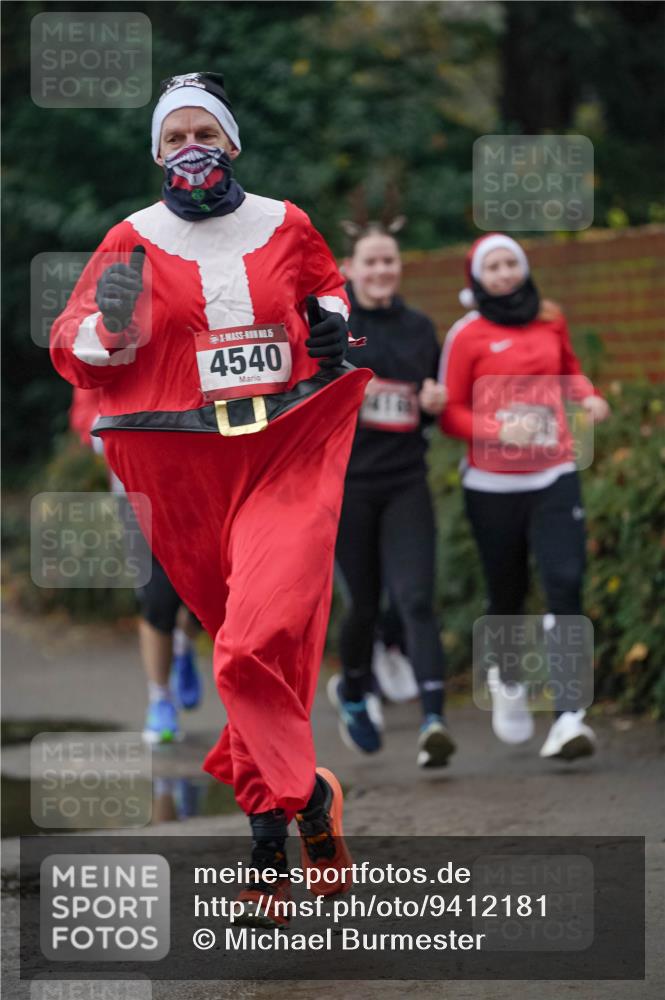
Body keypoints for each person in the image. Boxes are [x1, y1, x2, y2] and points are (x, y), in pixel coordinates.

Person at [51, 71, 372, 927]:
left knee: (250, 644)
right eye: (173, 137)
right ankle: (298, 816)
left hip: (289, 456)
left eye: (204, 132)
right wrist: (110, 330)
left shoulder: (285, 220)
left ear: (229, 142)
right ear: (157, 153)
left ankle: (274, 836)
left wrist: (334, 324)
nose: (190, 148)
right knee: (253, 650)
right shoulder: (133, 238)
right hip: (195, 473)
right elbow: (78, 350)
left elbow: (326, 289)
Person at [439, 232, 610, 760]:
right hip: (492, 484)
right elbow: (448, 412)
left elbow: (569, 371)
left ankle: (568, 717)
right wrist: (495, 430)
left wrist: (589, 397)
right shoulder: (466, 336)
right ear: (476, 278)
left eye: (511, 262)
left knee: (565, 582)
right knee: (507, 593)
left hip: (555, 471)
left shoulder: (549, 318)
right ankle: (507, 678)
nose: (505, 273)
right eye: (493, 266)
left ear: (525, 267)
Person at [327, 220, 456, 769]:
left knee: (417, 600)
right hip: (348, 486)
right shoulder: (333, 327)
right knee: (363, 606)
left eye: (389, 262)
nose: (381, 271)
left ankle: (433, 720)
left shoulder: (420, 328)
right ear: (350, 269)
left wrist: (434, 400)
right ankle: (355, 692)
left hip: (405, 481)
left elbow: (438, 402)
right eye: (370, 262)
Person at [70, 385, 203, 743]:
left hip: (201, 489)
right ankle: (160, 700)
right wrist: (117, 427)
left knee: (208, 596)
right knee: (157, 599)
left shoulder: (191, 331)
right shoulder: (112, 338)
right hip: (137, 494)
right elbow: (84, 415)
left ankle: (183, 646)